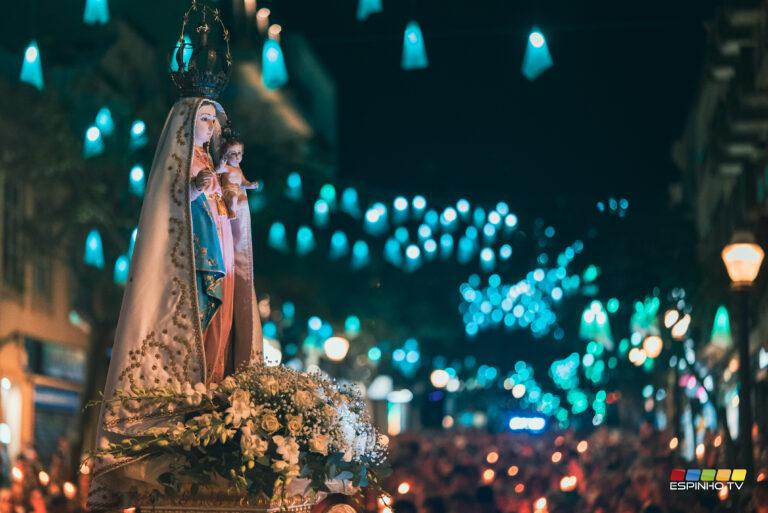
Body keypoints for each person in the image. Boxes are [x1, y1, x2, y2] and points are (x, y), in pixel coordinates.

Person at [88, 96, 263, 510]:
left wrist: (231, 192)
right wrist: (196, 187)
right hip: (196, 264)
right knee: (201, 329)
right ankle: (191, 405)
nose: (209, 126)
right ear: (187, 123)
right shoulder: (181, 160)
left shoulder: (212, 158)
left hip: (219, 258)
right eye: (203, 119)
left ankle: (213, 394)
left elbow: (226, 205)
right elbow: (169, 207)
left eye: (212, 120)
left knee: (219, 334)